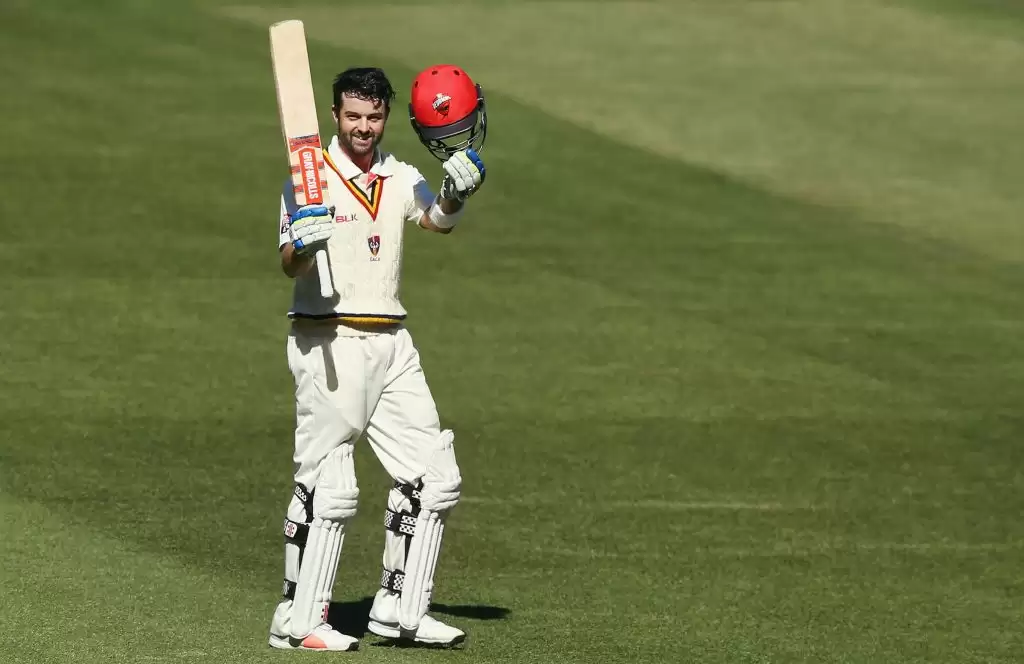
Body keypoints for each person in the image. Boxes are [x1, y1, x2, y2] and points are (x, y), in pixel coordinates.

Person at [267, 65, 488, 651]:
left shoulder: (398, 172)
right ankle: (297, 619)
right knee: (329, 486)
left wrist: (455, 193)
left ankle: (400, 610)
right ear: (335, 116)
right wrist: (306, 244)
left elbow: (434, 219)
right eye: (353, 116)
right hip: (329, 339)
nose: (364, 127)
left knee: (433, 478)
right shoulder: (309, 177)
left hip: (393, 341)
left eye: (373, 116)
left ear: (386, 117)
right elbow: (288, 260)